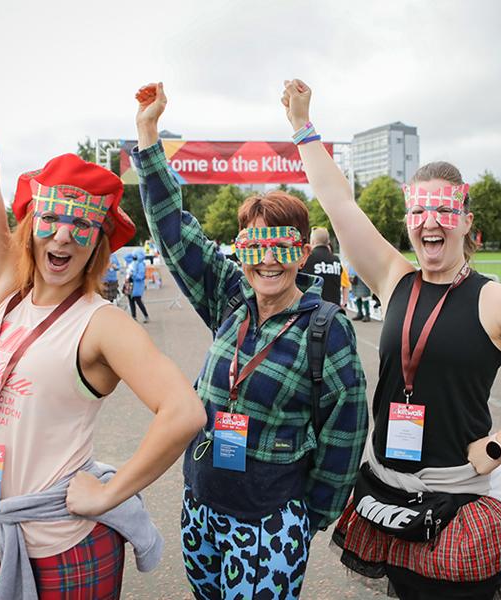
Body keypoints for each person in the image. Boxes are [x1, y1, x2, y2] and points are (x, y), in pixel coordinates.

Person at [281, 79, 501, 600]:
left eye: (444, 214)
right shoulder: (394, 278)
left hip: (460, 498)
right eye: (419, 213)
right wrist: (301, 126)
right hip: (389, 488)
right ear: (408, 221)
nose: (430, 224)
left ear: (467, 223)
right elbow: (339, 204)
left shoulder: (496, 301)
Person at [0, 28, 206, 600]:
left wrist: (109, 494)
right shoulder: (4, 286)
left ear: (99, 243)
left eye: (82, 227)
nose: (63, 237)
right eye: (51, 222)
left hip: (60, 547)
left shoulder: (100, 322)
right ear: (30, 227)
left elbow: (184, 411)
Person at [132, 83, 369, 599]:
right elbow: (174, 232)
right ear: (241, 251)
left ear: (302, 253)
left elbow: (346, 430)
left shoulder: (325, 329)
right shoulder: (229, 298)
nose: (268, 260)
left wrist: (310, 517)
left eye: (282, 246)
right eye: (255, 245)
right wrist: (148, 135)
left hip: (270, 522)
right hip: (203, 505)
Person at [300, 226, 349, 308]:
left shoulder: (308, 257)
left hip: (312, 308)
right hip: (333, 309)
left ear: (313, 241)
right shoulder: (336, 260)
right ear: (328, 241)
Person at [126, 249, 150, 323]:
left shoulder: (141, 264)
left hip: (137, 285)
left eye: (135, 255)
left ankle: (146, 316)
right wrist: (132, 253)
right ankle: (134, 317)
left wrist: (132, 274)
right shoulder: (133, 262)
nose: (134, 257)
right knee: (131, 300)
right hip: (130, 284)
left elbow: (140, 276)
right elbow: (126, 257)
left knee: (138, 301)